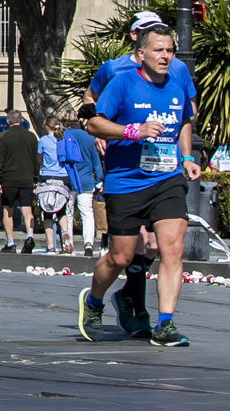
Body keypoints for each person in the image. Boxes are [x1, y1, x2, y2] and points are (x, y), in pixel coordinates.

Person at [78, 22, 202, 348]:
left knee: (171, 248)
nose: (165, 56)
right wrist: (132, 131)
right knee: (119, 257)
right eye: (158, 50)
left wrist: (187, 157)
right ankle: (93, 300)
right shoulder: (122, 84)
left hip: (166, 179)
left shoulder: (176, 88)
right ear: (141, 52)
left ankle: (165, 324)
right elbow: (93, 123)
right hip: (126, 181)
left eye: (170, 51)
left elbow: (185, 123)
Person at [0, 110, 39, 252]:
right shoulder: (31, 137)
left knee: (7, 210)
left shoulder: (3, 137)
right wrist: (35, 178)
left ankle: (10, 242)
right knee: (27, 209)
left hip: (8, 179)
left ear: (8, 122)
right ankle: (29, 236)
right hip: (27, 179)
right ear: (22, 121)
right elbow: (35, 160)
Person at [66, 105, 104, 255]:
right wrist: (98, 179)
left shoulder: (61, 137)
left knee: (68, 213)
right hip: (86, 181)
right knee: (87, 213)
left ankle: (67, 243)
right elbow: (96, 162)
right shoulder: (89, 138)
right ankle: (88, 243)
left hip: (68, 181)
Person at [37, 115, 75, 254]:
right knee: (61, 211)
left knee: (47, 212)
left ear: (47, 126)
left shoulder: (43, 141)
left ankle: (50, 246)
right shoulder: (64, 139)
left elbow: (39, 160)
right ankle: (65, 234)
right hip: (64, 178)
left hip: (48, 177)